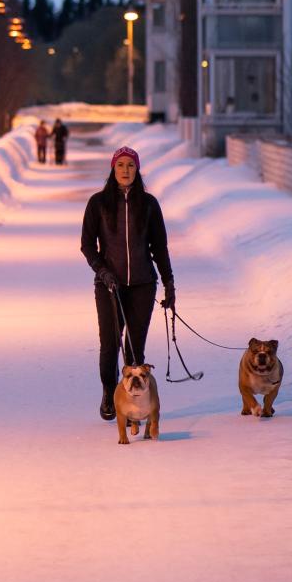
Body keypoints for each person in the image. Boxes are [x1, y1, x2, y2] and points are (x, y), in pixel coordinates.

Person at [80, 145, 175, 420]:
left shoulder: (148, 204)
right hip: (109, 285)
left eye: (130, 165)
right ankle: (110, 394)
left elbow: (160, 247)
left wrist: (169, 283)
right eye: (120, 165)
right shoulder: (98, 203)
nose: (125, 170)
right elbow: (87, 245)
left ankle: (135, 402)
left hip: (143, 285)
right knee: (110, 344)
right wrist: (102, 270)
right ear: (113, 168)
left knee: (135, 347)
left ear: (137, 169)